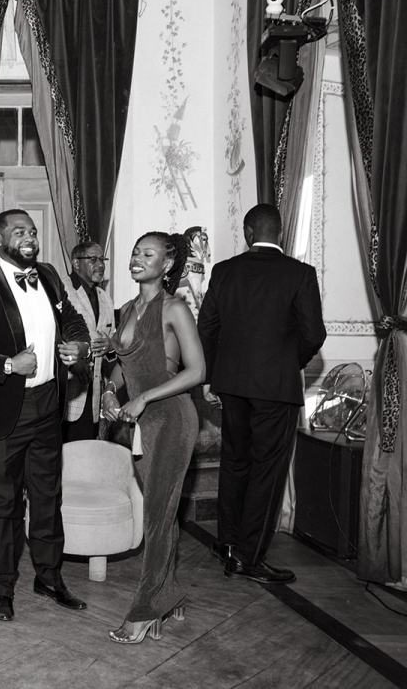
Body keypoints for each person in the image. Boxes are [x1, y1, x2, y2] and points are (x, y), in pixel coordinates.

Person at [0, 209, 90, 623]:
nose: (29, 237)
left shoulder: (49, 275)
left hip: (48, 405)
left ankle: (49, 577)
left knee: (47, 498)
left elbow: (72, 319)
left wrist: (79, 345)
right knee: (4, 505)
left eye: (33, 231)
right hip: (4, 412)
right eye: (19, 231)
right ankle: (2, 588)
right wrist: (8, 364)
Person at [198, 204, 326, 584]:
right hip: (276, 388)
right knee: (266, 471)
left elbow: (207, 327)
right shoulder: (300, 273)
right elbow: (314, 335)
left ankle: (227, 542)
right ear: (280, 233)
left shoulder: (224, 271)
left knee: (235, 462)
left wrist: (212, 375)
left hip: (232, 385)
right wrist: (288, 362)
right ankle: (248, 558)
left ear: (248, 233)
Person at [99, 231, 203, 644]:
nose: (138, 259)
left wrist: (143, 397)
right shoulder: (127, 309)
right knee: (163, 512)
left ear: (167, 264)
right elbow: (121, 363)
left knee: (156, 517)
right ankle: (169, 595)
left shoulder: (175, 307)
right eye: (135, 252)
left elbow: (198, 371)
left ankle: (143, 610)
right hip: (143, 425)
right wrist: (111, 390)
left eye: (149, 254)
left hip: (173, 418)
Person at [60, 241, 115, 442]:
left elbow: (112, 346)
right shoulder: (61, 290)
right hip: (65, 396)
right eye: (93, 259)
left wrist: (111, 347)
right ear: (76, 263)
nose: (100, 264)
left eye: (102, 259)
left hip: (93, 397)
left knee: (85, 455)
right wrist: (73, 364)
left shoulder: (105, 298)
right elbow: (51, 338)